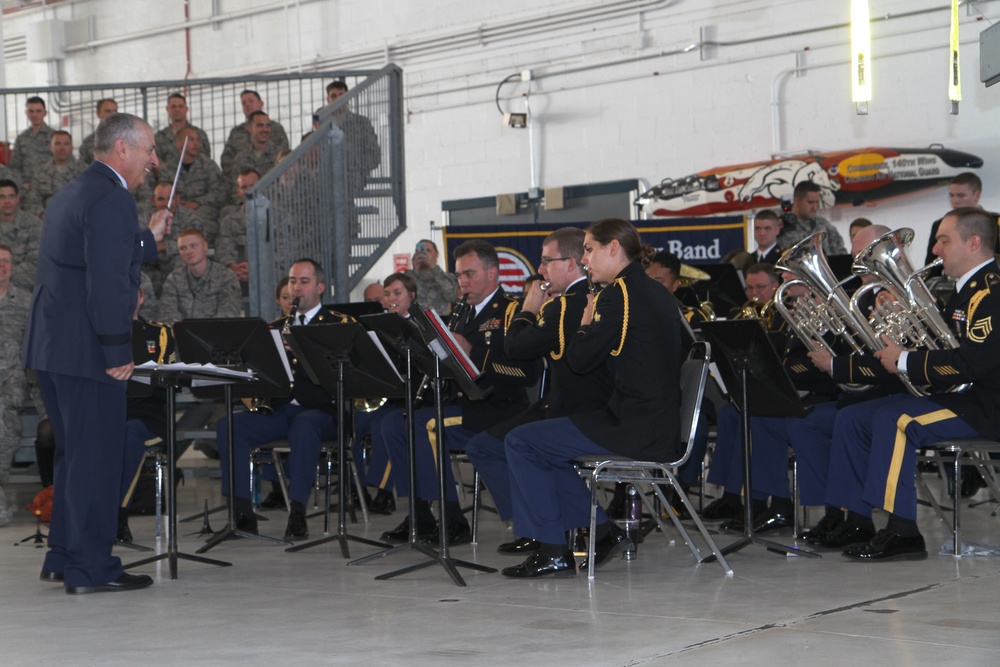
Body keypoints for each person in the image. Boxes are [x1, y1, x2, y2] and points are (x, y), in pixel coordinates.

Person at [23, 111, 172, 594]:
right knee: (96, 458)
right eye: (148, 149)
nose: (154, 159)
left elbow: (92, 257)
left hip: (54, 346)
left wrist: (148, 237)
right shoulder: (111, 199)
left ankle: (63, 554)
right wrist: (115, 348)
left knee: (73, 456)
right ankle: (91, 567)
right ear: (122, 149)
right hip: (88, 349)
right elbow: (107, 281)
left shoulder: (75, 190)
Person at [502, 218, 683, 577]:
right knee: (544, 445)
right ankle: (601, 532)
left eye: (588, 249)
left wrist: (585, 322)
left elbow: (580, 360)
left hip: (635, 426)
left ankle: (555, 548)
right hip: (655, 420)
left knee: (521, 441)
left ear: (613, 248)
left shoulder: (618, 293)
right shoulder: (654, 290)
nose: (585, 259)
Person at [825, 207, 1000, 561]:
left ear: (974, 242)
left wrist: (904, 360)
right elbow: (948, 352)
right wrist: (901, 345)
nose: (935, 249)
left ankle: (902, 530)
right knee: (853, 418)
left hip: (985, 406)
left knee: (895, 419)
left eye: (944, 240)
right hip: (962, 399)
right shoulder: (966, 290)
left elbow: (972, 364)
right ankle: (856, 519)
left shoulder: (991, 293)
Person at [380, 240, 541, 545]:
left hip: (498, 406)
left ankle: (453, 518)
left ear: (493, 273)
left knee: (425, 424)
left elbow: (528, 372)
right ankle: (420, 514)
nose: (462, 282)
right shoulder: (461, 311)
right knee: (393, 423)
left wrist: (473, 353)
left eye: (469, 274)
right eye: (459, 276)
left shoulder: (512, 309)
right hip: (463, 404)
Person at [463, 227, 613, 555]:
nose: (540, 270)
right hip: (565, 402)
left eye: (547, 261)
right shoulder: (581, 298)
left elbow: (515, 349)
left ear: (572, 264)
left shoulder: (567, 305)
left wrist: (528, 308)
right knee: (486, 446)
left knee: (523, 445)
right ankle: (547, 524)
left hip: (579, 407)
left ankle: (556, 536)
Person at [216, 259, 351, 541]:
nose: (296, 287)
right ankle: (241, 514)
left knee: (304, 425)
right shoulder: (275, 327)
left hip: (325, 411)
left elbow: (347, 378)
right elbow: (261, 376)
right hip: (281, 410)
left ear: (320, 287)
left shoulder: (339, 324)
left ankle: (298, 512)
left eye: (304, 281)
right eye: (292, 281)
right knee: (230, 425)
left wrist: (303, 351)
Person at [117, 289, 176, 543]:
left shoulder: (159, 332)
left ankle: (118, 516)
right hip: (112, 410)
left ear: (141, 298)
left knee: (129, 435)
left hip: (149, 416)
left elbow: (168, 377)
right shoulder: (98, 333)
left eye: (133, 293)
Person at [0, 244, 29, 527]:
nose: (1, 266)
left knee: (5, 429)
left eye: (6, 261)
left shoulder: (26, 301)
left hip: (13, 386)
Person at [157, 229, 242, 322]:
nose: (188, 251)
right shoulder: (174, 279)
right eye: (183, 248)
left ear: (205, 246)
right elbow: (167, 314)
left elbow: (228, 314)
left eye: (193, 246)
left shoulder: (226, 276)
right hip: (182, 334)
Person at [220, 90, 289, 202]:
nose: (247, 105)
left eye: (251, 101)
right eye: (244, 103)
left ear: (261, 103)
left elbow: (285, 162)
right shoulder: (239, 154)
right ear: (250, 129)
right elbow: (228, 163)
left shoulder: (277, 139)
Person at [158, 127, 226, 237]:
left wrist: (196, 203)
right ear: (179, 143)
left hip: (203, 208)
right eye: (191, 139)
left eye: (197, 139)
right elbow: (164, 193)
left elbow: (219, 192)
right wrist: (178, 204)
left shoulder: (209, 165)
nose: (196, 143)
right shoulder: (168, 169)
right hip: (176, 209)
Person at [144, 180, 207, 295]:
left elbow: (196, 246)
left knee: (183, 263)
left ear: (178, 199)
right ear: (153, 201)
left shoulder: (191, 218)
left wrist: (164, 246)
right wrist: (148, 244)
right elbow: (138, 244)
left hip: (178, 263)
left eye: (171, 198)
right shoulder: (145, 219)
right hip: (152, 265)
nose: (166, 203)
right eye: (161, 199)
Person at [216, 168, 260, 288]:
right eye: (244, 187)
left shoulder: (277, 216)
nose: (249, 191)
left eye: (253, 185)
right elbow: (224, 250)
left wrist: (256, 270)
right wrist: (233, 267)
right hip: (238, 278)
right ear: (238, 192)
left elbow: (282, 252)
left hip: (270, 276)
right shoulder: (229, 221)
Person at [223, 111, 282, 200]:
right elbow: (235, 191)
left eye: (268, 125)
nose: (265, 130)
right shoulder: (240, 159)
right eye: (260, 125)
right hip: (246, 207)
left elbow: (283, 188)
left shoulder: (280, 157)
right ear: (250, 128)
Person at [778, 181, 847, 257]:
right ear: (797, 201)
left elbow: (841, 254)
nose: (814, 207)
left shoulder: (823, 225)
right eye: (810, 202)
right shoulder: (781, 225)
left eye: (817, 202)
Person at [25, 131, 84, 217]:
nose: (62, 148)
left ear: (71, 147)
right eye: (57, 144)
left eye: (66, 144)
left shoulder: (84, 171)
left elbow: (92, 199)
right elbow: (32, 202)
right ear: (50, 147)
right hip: (48, 222)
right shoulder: (40, 173)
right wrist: (43, 216)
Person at [0, 179, 42, 291]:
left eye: (11, 196)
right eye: (2, 197)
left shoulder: (33, 223)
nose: (7, 201)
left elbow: (35, 261)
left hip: (23, 280)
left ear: (17, 198)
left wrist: (7, 273)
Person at [9, 96, 54, 190]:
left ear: (45, 113)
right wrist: (21, 183)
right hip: (28, 190)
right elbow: (14, 166)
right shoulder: (22, 138)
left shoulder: (54, 137)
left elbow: (62, 162)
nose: (34, 115)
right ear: (26, 113)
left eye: (38, 111)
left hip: (50, 188)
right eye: (31, 111)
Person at [405, 239, 459, 317]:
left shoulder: (448, 277)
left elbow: (451, 297)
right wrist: (415, 270)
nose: (424, 254)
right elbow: (403, 298)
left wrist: (434, 268)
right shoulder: (408, 277)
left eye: (428, 251)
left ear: (436, 254)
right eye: (419, 251)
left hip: (440, 321)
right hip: (416, 322)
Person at [153, 93, 212, 163]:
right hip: (169, 173)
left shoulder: (199, 135)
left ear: (186, 109)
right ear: (167, 109)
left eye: (180, 106)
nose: (177, 109)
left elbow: (206, 161)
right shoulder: (160, 137)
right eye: (173, 107)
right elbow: (156, 162)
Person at [78, 98, 118, 165]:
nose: (112, 115)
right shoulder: (88, 142)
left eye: (115, 111)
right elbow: (83, 168)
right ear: (98, 114)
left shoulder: (126, 138)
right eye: (108, 111)